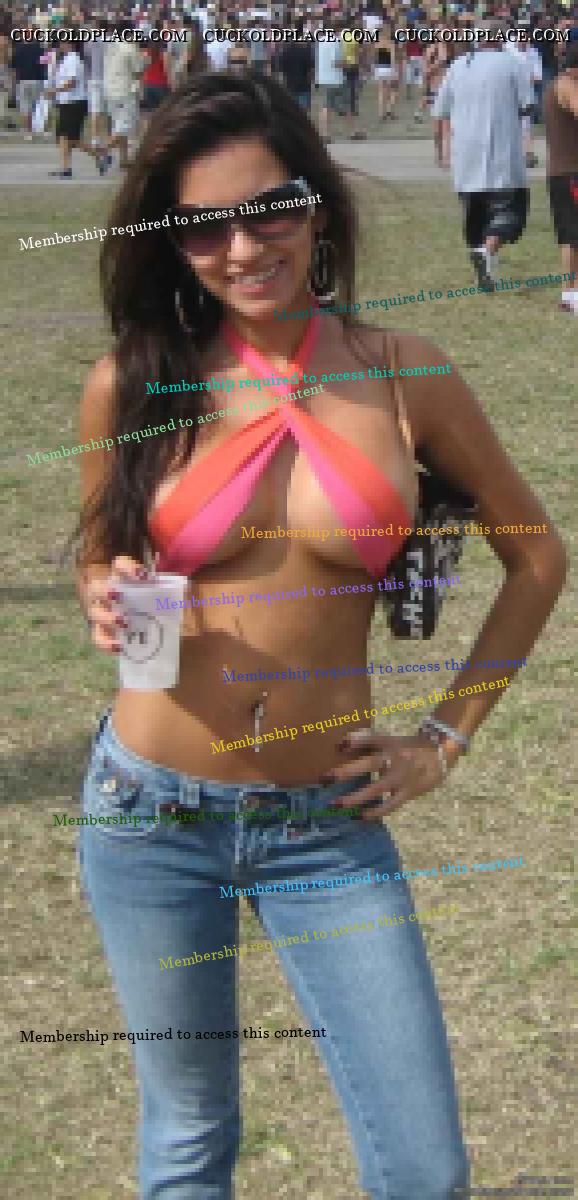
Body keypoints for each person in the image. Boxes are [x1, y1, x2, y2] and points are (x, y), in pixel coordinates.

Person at [75, 70, 566, 1200]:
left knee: (424, 1168)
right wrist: (107, 590)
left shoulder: (403, 372)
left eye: (270, 210)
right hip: (151, 812)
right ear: (170, 241)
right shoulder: (134, 383)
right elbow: (104, 555)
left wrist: (445, 738)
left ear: (316, 204)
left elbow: (535, 558)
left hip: (325, 827)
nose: (244, 247)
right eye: (204, 226)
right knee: (188, 1140)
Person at [432, 20, 534, 291]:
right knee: (508, 212)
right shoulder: (512, 63)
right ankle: (487, 253)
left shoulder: (458, 66)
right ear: (500, 38)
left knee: (475, 218)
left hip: (466, 155)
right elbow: (527, 105)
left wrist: (441, 149)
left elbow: (441, 110)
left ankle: (484, 268)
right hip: (503, 154)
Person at [543, 39, 578, 313]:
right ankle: (570, 294)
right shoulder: (567, 86)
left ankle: (570, 294)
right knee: (572, 236)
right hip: (571, 172)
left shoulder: (555, 85)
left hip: (561, 171)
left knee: (570, 235)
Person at [46, 37, 100, 177]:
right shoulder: (66, 59)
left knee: (70, 138)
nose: (60, 45)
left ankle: (98, 155)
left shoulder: (73, 59)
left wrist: (55, 91)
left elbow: (71, 82)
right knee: (63, 137)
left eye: (62, 42)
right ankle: (65, 167)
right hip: (66, 102)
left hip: (74, 102)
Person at [102, 21, 143, 170]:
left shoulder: (110, 46)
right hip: (125, 90)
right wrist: (145, 61)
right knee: (124, 126)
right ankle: (103, 149)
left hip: (109, 90)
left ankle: (124, 159)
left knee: (118, 124)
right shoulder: (130, 48)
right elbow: (138, 70)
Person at [11, 26, 46, 138]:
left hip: (22, 80)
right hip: (37, 80)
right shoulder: (40, 49)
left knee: (25, 107)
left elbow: (14, 68)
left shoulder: (18, 49)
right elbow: (45, 64)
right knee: (36, 106)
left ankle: (28, 131)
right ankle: (37, 128)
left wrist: (14, 83)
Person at [315, 17, 345, 140]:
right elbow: (335, 62)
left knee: (326, 105)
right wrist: (346, 63)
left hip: (322, 76)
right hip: (333, 77)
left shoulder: (321, 41)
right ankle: (325, 133)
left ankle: (325, 131)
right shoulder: (335, 42)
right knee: (327, 106)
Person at [278, 18, 315, 111]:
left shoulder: (286, 51)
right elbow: (311, 70)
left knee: (292, 112)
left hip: (290, 85)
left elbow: (281, 69)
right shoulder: (306, 51)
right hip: (304, 86)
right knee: (304, 113)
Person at [373, 19, 399, 121]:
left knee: (381, 91)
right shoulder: (390, 43)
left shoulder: (377, 43)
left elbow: (375, 56)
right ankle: (390, 110)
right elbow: (392, 58)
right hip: (388, 67)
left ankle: (381, 113)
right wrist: (395, 70)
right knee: (392, 90)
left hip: (379, 68)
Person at [141, 36, 170, 114]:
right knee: (165, 111)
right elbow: (167, 70)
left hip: (148, 84)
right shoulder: (163, 54)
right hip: (161, 84)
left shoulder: (146, 53)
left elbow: (142, 70)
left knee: (152, 111)